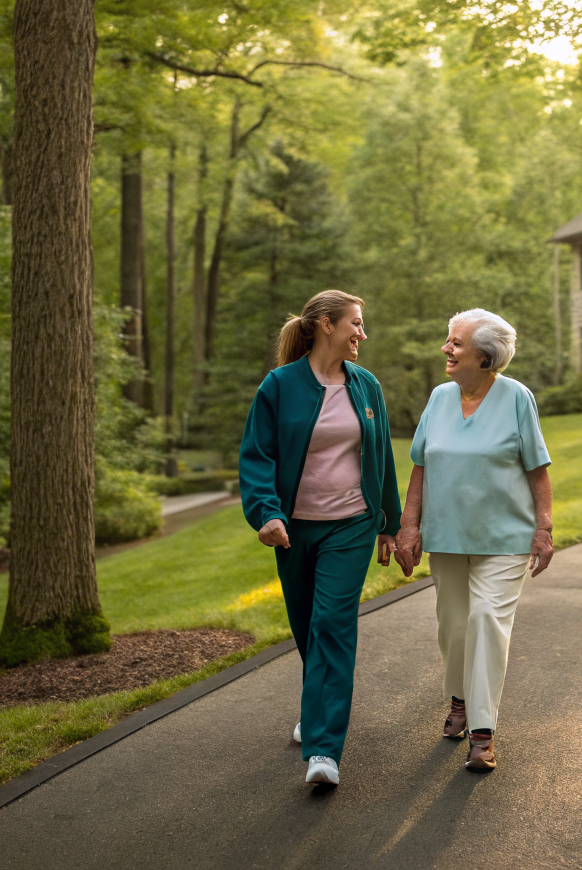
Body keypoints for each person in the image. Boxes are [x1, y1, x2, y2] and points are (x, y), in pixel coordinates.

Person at [238, 290, 401, 789]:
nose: (362, 334)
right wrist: (265, 514)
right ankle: (317, 709)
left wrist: (390, 524)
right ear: (326, 325)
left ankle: (324, 750)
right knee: (308, 625)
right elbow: (257, 456)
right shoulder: (280, 386)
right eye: (355, 323)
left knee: (331, 625)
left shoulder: (366, 385)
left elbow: (382, 458)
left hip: (351, 524)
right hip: (294, 530)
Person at [394, 308, 554, 773]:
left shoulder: (516, 398)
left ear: (484, 357)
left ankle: (482, 732)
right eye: (449, 340)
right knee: (454, 625)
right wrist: (409, 526)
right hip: (446, 536)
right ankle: (460, 698)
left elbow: (536, 469)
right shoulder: (440, 397)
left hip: (505, 537)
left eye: (456, 342)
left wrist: (543, 528)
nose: (446, 348)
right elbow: (420, 467)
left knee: (486, 619)